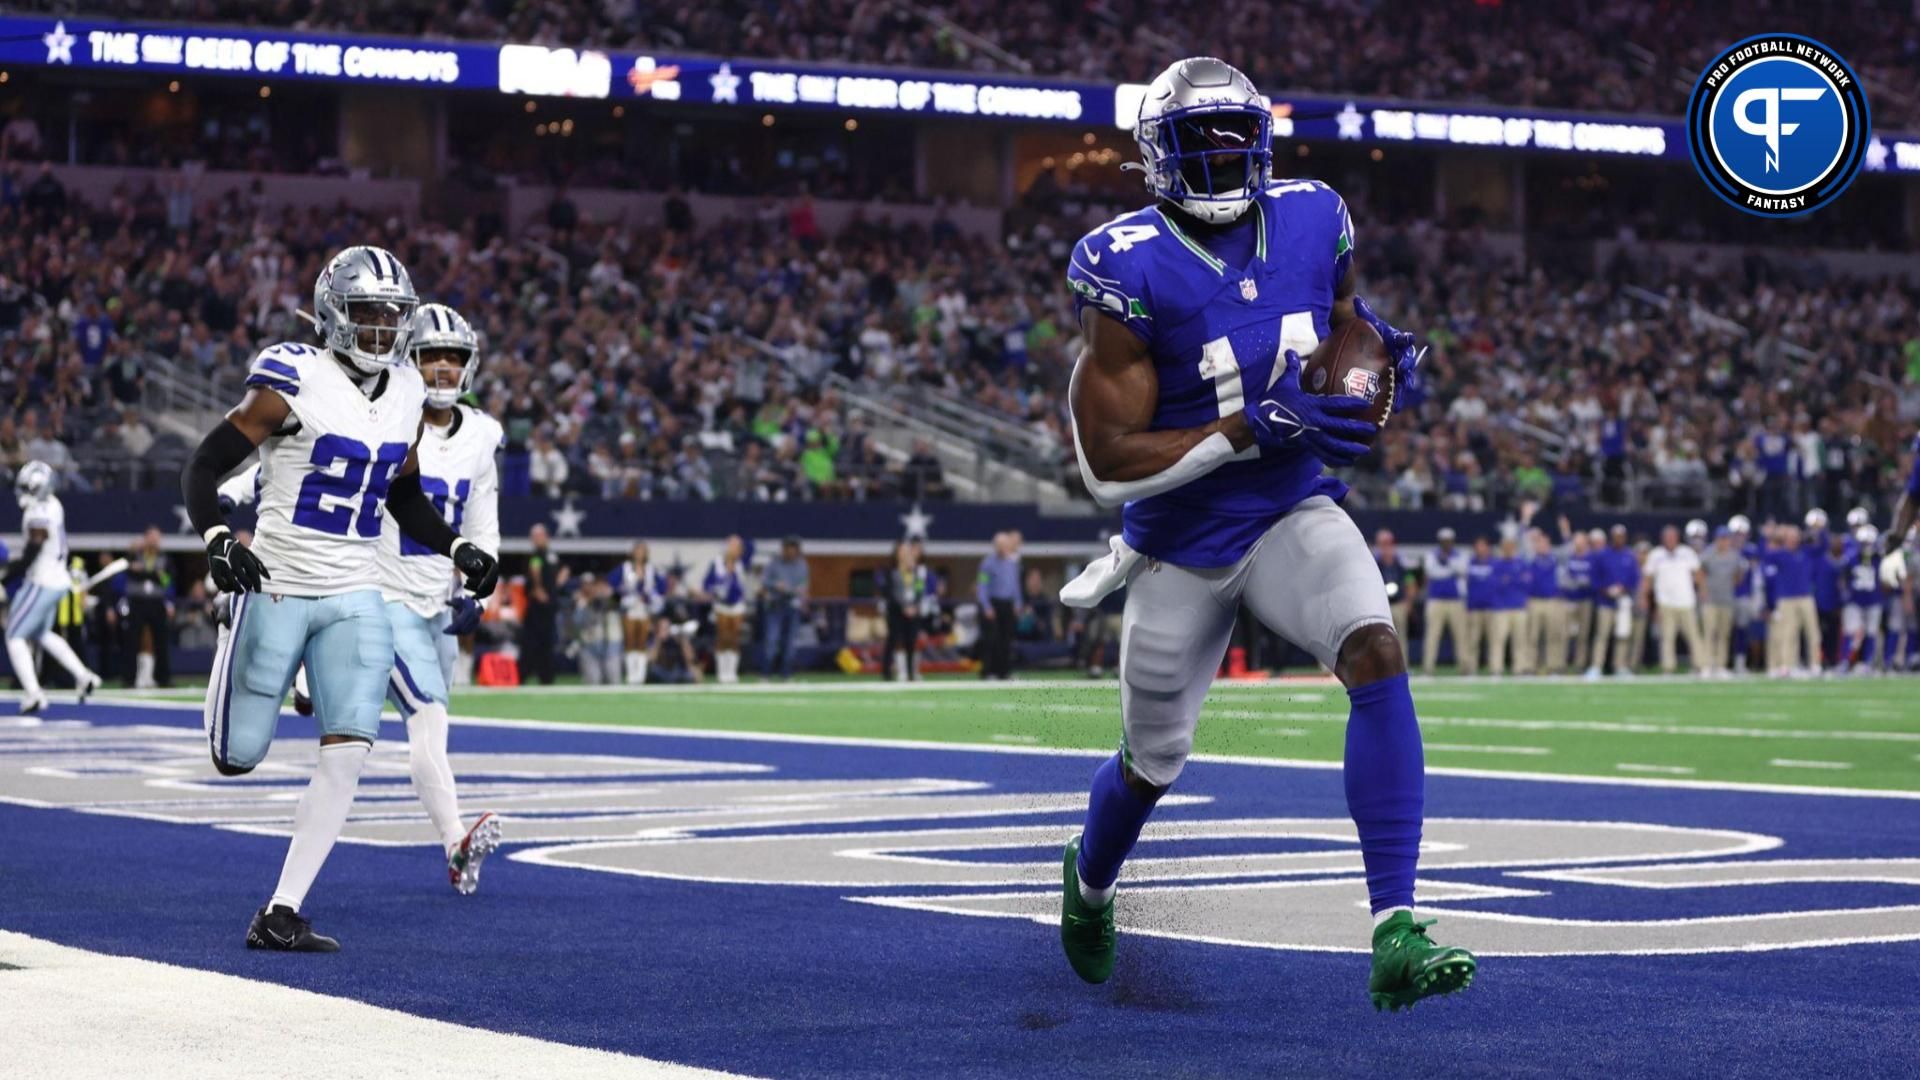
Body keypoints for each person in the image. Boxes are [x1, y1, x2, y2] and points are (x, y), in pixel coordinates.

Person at [1055, 57, 1471, 1010]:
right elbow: (1106, 461)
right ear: (1159, 157)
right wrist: (1246, 427)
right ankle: (1089, 882)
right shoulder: (1123, 263)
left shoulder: (1314, 215)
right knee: (1153, 758)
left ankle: (1395, 926)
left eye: (1236, 138)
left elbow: (1337, 315)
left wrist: (1370, 354)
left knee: (1375, 650)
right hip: (1180, 543)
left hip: (1292, 508)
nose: (1223, 158)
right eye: (1201, 143)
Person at [179, 246, 499, 952]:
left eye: (393, 315)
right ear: (332, 313)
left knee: (349, 751)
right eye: (367, 312)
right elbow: (204, 464)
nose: (383, 329)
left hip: (358, 590)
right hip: (279, 583)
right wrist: (216, 538)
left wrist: (455, 547)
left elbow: (404, 492)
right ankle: (231, 631)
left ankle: (281, 910)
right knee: (236, 757)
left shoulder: (411, 391)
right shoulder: (292, 376)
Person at [376, 303, 503, 895]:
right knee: (426, 716)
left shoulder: (482, 433)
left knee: (427, 729)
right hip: (384, 595)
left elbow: (483, 521)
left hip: (436, 602)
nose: (444, 368)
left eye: (454, 357)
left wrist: (481, 586)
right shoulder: (385, 420)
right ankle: (455, 838)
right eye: (431, 356)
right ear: (409, 361)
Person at [5, 461, 104, 713]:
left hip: (43, 580)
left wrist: (5, 577)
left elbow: (32, 552)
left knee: (14, 635)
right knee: (40, 633)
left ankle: (33, 693)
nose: (22, 492)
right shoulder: (54, 505)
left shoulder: (37, 511)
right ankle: (84, 676)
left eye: (27, 487)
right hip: (58, 579)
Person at [1641, 525, 1705, 675]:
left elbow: (1698, 574)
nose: (1670, 540)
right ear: (1663, 539)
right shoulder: (1656, 555)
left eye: (1672, 537)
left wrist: (1702, 590)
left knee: (1693, 635)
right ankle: (1668, 667)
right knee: (1667, 637)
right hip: (1665, 602)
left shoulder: (1687, 553)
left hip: (1686, 601)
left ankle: (1699, 665)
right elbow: (1648, 578)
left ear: (1677, 538)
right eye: (1667, 537)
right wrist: (1644, 597)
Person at [608, 541, 668, 685]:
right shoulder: (625, 568)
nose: (640, 553)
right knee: (630, 641)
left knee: (641, 641)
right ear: (633, 552)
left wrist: (651, 594)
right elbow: (612, 581)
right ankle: (631, 673)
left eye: (643, 551)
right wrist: (625, 591)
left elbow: (662, 587)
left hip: (643, 608)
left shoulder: (651, 569)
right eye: (638, 550)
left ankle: (640, 674)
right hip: (629, 607)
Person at [1764, 525, 1820, 677]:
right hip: (1786, 599)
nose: (1793, 540)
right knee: (1788, 634)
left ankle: (1815, 664)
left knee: (1813, 632)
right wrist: (1772, 536)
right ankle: (1788, 665)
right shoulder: (1780, 554)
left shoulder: (1806, 552)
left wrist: (1815, 530)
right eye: (1789, 537)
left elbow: (1822, 544)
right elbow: (1765, 554)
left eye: (1795, 536)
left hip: (1805, 596)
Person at [122, 526, 174, 689]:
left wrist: (144, 572)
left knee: (161, 640)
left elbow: (166, 580)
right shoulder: (134, 554)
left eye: (156, 538)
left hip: (156, 602)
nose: (153, 541)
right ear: (145, 538)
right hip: (137, 601)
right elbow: (130, 573)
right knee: (131, 640)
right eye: (151, 537)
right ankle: (129, 678)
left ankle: (163, 678)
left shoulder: (165, 558)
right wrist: (153, 574)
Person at [1587, 525, 1640, 679]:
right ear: (1612, 537)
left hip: (1623, 602)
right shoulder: (1602, 555)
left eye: (1621, 536)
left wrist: (1624, 589)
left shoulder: (1629, 556)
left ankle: (1620, 666)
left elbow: (1634, 579)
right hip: (1605, 602)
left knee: (1623, 635)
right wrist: (1604, 590)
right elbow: (1594, 577)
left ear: (1624, 538)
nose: (1619, 539)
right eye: (1616, 536)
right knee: (1601, 635)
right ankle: (1596, 666)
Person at [699, 535, 749, 683]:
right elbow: (706, 583)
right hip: (721, 605)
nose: (734, 549)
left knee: (734, 638)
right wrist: (716, 589)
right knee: (722, 638)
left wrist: (738, 549)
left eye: (737, 547)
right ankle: (722, 672)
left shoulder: (742, 563)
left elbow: (742, 585)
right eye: (731, 546)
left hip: (737, 605)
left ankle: (732, 672)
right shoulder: (717, 563)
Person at [881, 539, 933, 681]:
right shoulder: (891, 571)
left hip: (913, 610)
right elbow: (891, 592)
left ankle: (911, 672)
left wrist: (915, 605)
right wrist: (904, 607)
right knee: (893, 640)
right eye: (902, 551)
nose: (905, 554)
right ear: (897, 554)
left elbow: (920, 589)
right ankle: (887, 672)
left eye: (907, 551)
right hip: (896, 611)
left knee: (911, 641)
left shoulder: (917, 571)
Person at [760, 536, 809, 680]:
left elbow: (804, 585)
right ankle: (766, 674)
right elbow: (764, 581)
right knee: (772, 641)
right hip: (775, 606)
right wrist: (776, 585)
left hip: (792, 607)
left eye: (794, 548)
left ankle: (786, 674)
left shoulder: (802, 565)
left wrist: (798, 591)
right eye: (788, 548)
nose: (791, 551)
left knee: (790, 643)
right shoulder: (774, 563)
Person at [1420, 527, 1468, 675]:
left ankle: (1464, 667)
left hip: (1455, 601)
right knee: (1432, 635)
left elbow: (1462, 570)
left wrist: (1447, 564)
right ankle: (1428, 667)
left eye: (1449, 541)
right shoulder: (1431, 555)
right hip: (1436, 600)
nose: (1446, 544)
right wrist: (1450, 569)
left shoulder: (1460, 555)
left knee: (1460, 635)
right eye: (1444, 541)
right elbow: (1432, 572)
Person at [1699, 527, 1745, 677]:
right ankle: (1706, 666)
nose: (1723, 541)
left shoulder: (1734, 555)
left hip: (1727, 600)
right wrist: (1703, 590)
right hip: (1710, 600)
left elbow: (1739, 574)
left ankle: (1720, 666)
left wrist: (1733, 583)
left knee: (1723, 634)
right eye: (1721, 538)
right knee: (1709, 633)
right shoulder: (1708, 554)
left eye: (1726, 538)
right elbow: (1699, 572)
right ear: (1716, 539)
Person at [975, 530, 1021, 680]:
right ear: (995, 546)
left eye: (1005, 544)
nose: (1003, 547)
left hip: (1007, 604)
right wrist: (986, 606)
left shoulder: (1012, 563)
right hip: (993, 604)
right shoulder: (987, 563)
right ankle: (988, 671)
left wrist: (1018, 602)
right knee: (991, 640)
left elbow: (1015, 585)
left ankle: (1004, 671)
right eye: (1000, 545)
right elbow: (982, 586)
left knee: (1006, 640)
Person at [1841, 525, 1886, 673]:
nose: (1867, 546)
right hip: (1855, 600)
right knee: (1851, 632)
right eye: (1864, 542)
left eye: (1869, 542)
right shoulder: (1851, 558)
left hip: (1873, 599)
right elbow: (1843, 578)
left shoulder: (1879, 559)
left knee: (1871, 632)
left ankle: (1866, 662)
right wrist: (1846, 595)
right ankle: (1845, 661)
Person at [523, 524, 564, 685]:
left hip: (550, 607)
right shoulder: (535, 556)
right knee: (531, 642)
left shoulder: (552, 556)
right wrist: (537, 589)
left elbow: (558, 575)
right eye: (535, 536)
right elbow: (534, 572)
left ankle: (546, 677)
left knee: (548, 642)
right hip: (536, 607)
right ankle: (524, 674)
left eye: (540, 536)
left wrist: (560, 580)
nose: (538, 539)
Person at [1522, 529, 1564, 675]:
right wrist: (1526, 526)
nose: (1542, 546)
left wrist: (1565, 530)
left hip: (1552, 601)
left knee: (1553, 635)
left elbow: (1569, 548)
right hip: (1534, 601)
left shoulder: (1555, 558)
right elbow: (1521, 543)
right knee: (1532, 636)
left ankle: (1554, 666)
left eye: (1545, 543)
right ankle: (1529, 666)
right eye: (1539, 543)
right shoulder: (1530, 558)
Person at [1487, 536, 1527, 676]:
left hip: (1518, 607)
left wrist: (1508, 580)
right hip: (1501, 608)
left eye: (1511, 547)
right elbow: (1494, 584)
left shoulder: (1521, 563)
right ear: (1502, 549)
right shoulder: (1496, 564)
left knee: (1520, 640)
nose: (1508, 550)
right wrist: (1511, 580)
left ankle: (1519, 668)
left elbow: (1526, 582)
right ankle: (1496, 668)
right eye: (1506, 547)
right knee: (1498, 640)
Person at [1462, 537, 1496, 676]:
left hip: (1491, 608)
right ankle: (1471, 668)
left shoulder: (1495, 563)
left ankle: (1494, 668)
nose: (1481, 549)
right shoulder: (1469, 563)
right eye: (1478, 546)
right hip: (1474, 608)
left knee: (1494, 641)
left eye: (1483, 546)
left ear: (1488, 548)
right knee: (1473, 641)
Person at [1373, 530, 1413, 643]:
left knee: (1401, 638)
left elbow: (1410, 581)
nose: (1385, 547)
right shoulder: (1373, 562)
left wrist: (1409, 602)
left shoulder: (1401, 562)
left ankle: (1402, 661)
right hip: (1380, 606)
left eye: (1388, 543)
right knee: (1380, 639)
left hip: (1398, 604)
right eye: (1382, 544)